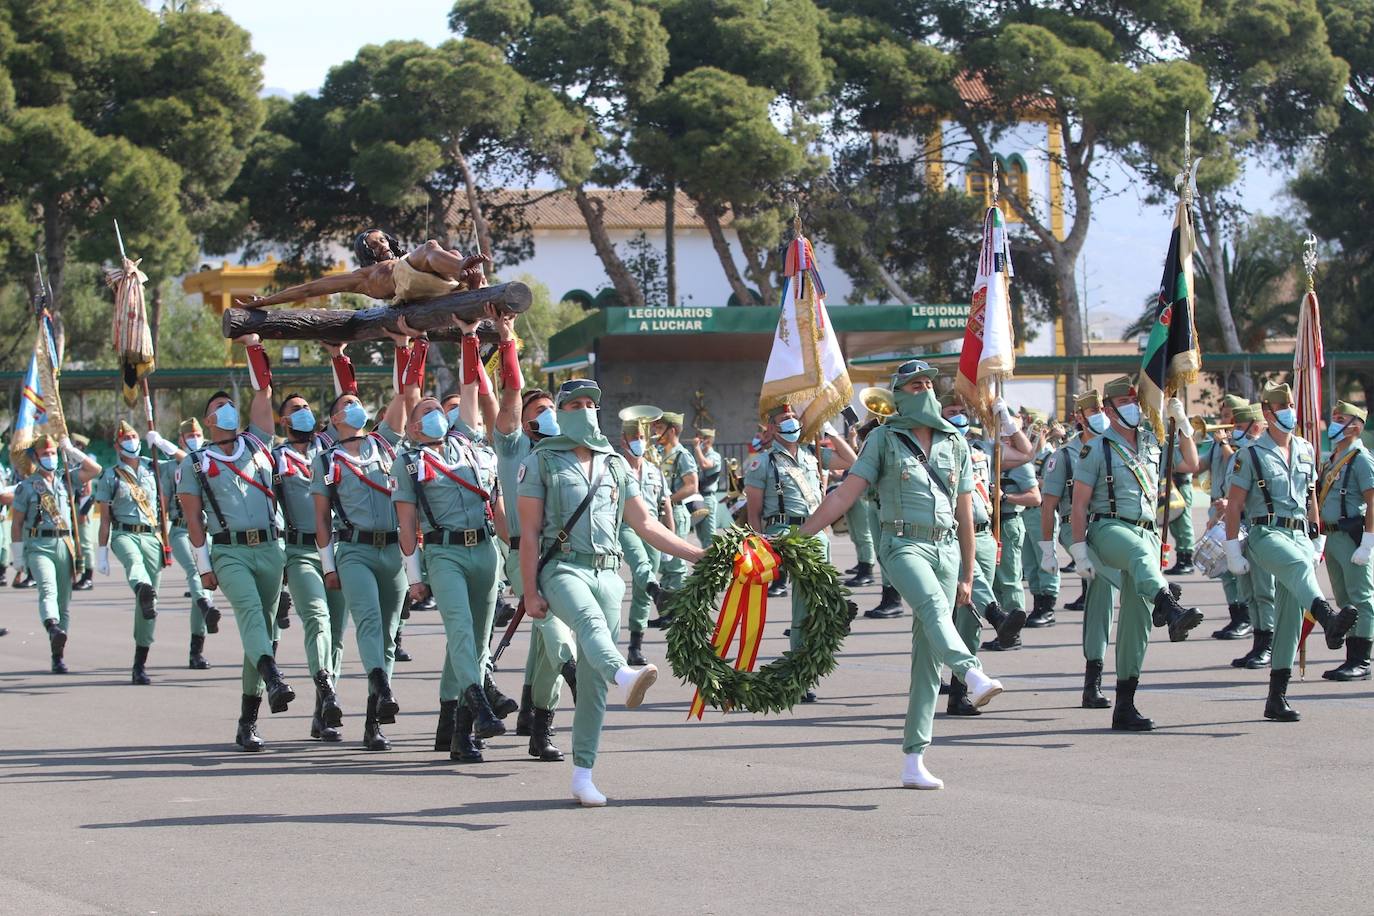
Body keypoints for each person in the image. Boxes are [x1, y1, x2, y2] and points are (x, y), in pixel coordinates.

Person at [800, 360, 1005, 789]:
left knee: (928, 655)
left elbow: (965, 514)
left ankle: (915, 757)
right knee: (932, 607)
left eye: (930, 383)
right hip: (902, 544)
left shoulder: (955, 443)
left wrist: (969, 574)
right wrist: (798, 536)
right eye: (915, 384)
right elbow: (844, 497)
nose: (925, 390)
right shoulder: (883, 439)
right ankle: (971, 671)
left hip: (947, 548)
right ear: (899, 394)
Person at [519, 378, 705, 806]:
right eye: (576, 404)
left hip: (607, 572)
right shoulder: (543, 459)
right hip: (563, 567)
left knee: (591, 680)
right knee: (587, 624)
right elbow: (528, 533)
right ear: (561, 413)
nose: (586, 410)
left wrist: (697, 555)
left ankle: (583, 775)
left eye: (592, 404)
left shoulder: (616, 464)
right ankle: (625, 673)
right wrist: (529, 591)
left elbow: (646, 524)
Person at [1069, 376, 1204, 730]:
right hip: (1109, 528)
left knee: (1136, 623)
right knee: (1141, 560)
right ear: (1110, 410)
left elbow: (1190, 465)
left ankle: (1125, 704)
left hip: (1146, 531)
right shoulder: (1096, 448)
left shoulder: (1150, 443)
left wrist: (1183, 423)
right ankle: (1170, 606)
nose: (1133, 408)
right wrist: (1078, 548)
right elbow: (1079, 504)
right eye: (1125, 403)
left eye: (1135, 401)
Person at [310, 329, 420, 750]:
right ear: (334, 420)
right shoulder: (326, 459)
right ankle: (380, 684)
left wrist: (404, 346)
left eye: (358, 403)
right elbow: (321, 518)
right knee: (370, 622)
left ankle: (374, 718)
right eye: (347, 404)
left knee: (390, 632)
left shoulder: (385, 444)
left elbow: (406, 394)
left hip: (391, 548)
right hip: (353, 550)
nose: (355, 407)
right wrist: (328, 565)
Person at [1223, 383, 1358, 721]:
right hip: (1265, 532)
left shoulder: (1306, 449)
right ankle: (1328, 618)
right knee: (1298, 567)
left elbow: (1311, 496)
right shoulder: (1250, 454)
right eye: (1281, 407)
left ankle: (1276, 698)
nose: (1288, 411)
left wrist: (1317, 537)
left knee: (1290, 618)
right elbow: (1235, 505)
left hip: (1299, 534)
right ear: (1266, 413)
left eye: (1291, 405)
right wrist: (1231, 550)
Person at [177, 384, 297, 751]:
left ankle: (248, 721)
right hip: (230, 551)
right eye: (219, 406)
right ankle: (274, 677)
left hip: (270, 548)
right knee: (250, 615)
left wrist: (253, 343)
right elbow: (193, 520)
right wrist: (203, 567)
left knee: (260, 631)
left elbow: (264, 390)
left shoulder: (258, 443)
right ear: (209, 419)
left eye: (231, 404)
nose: (228, 409)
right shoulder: (195, 461)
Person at [243, 337, 352, 742]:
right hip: (301, 551)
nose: (304, 413)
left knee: (337, 631)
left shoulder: (332, 447)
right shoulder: (274, 454)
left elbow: (348, 400)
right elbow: (261, 399)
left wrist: (338, 357)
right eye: (295, 410)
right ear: (284, 421)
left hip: (340, 547)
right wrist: (255, 350)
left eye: (308, 408)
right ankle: (324, 685)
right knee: (318, 621)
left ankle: (326, 707)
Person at [395, 395, 511, 763]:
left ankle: (459, 734)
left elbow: (499, 509)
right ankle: (480, 706)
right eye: (425, 412)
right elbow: (407, 524)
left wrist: (522, 557)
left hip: (485, 550)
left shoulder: (475, 453)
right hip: (443, 552)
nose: (436, 415)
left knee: (477, 641)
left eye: (438, 410)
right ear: (414, 428)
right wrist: (415, 577)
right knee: (460, 631)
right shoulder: (409, 462)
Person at [487, 315, 580, 741]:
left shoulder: (569, 451)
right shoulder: (512, 445)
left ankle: (538, 719)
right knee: (555, 632)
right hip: (521, 551)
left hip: (561, 556)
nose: (550, 416)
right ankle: (577, 677)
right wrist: (508, 343)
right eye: (540, 411)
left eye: (553, 410)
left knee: (546, 642)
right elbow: (509, 395)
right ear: (524, 422)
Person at [744, 404, 856, 700]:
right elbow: (753, 511)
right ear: (771, 428)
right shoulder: (762, 462)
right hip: (784, 533)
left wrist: (830, 430)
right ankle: (800, 675)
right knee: (805, 604)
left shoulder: (813, 453)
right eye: (784, 419)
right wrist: (758, 543)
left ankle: (831, 620)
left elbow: (851, 461)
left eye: (794, 418)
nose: (792, 422)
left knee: (814, 602)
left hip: (817, 534)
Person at [1040, 390, 1125, 707]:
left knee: (1102, 602)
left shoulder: (1116, 448)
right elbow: (1047, 505)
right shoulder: (1064, 455)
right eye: (1093, 410)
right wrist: (1047, 549)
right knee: (1113, 578)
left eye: (1103, 408)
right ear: (1079, 416)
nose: (1100, 414)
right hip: (1072, 529)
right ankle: (1157, 595)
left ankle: (1093, 684)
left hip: (1105, 528)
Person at [940, 395, 1034, 664]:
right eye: (951, 411)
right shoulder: (935, 448)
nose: (958, 415)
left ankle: (963, 678)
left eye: (961, 410)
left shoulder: (981, 449)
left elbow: (1026, 453)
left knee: (968, 613)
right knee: (964, 596)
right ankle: (997, 615)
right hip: (953, 534)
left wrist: (1007, 422)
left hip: (984, 535)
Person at [10, 435, 102, 672]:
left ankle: (57, 654)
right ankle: (52, 627)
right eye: (45, 454)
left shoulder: (66, 480)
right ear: (36, 458)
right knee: (47, 589)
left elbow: (95, 469)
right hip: (39, 546)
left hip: (65, 544)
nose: (50, 457)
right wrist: (18, 557)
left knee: (64, 603)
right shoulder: (27, 487)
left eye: (53, 453)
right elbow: (17, 524)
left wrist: (70, 450)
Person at [234, 231, 489, 308]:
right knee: (431, 246)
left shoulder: (408, 256)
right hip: (406, 284)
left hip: (439, 286)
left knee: (448, 253)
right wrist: (267, 301)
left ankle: (468, 278)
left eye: (382, 239)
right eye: (373, 244)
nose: (381, 245)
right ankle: (462, 267)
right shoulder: (363, 276)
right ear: (366, 253)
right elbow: (311, 288)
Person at [93, 421, 165, 685]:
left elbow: (186, 463)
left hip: (152, 536)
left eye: (135, 437)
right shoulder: (110, 476)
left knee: (149, 606)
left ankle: (139, 663)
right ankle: (141, 586)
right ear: (117, 445)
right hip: (123, 533)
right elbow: (104, 519)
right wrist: (101, 552)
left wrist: (163, 444)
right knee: (135, 566)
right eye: (126, 438)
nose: (132, 441)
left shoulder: (154, 466)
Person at [156, 419, 222, 669]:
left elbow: (193, 459)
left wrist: (167, 445)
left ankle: (197, 649)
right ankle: (207, 605)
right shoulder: (166, 467)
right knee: (198, 572)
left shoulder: (209, 455)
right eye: (189, 435)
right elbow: (162, 502)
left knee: (203, 584)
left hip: (209, 531)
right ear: (181, 438)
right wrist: (161, 538)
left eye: (197, 433)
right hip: (182, 530)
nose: (194, 437)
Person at [1316, 401, 1374, 681]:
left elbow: (1372, 501)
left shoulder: (1361, 458)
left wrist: (1368, 543)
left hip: (1352, 537)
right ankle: (1350, 658)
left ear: (1356, 426)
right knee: (1344, 599)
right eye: (1334, 417)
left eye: (1341, 419)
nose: (1334, 423)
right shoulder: (1333, 458)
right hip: (1332, 537)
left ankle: (1361, 660)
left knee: (1361, 598)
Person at [618, 413, 671, 667]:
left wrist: (671, 536)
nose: (638, 442)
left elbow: (665, 505)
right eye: (633, 437)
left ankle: (635, 647)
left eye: (641, 437)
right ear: (623, 440)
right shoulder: (616, 467)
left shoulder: (654, 470)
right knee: (640, 564)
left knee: (640, 591)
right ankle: (657, 591)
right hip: (626, 526)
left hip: (654, 529)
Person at [1206, 395, 1253, 640]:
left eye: (1228, 416)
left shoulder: (1242, 445)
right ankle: (1236, 616)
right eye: (1223, 416)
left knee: (1238, 569)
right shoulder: (1217, 443)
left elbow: (1233, 461)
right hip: (1219, 507)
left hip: (1236, 509)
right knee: (1223, 569)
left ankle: (1245, 619)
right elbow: (1196, 466)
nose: (1223, 421)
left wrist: (1225, 443)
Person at [651, 411, 699, 610]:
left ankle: (677, 612)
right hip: (660, 514)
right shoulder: (658, 454)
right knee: (664, 565)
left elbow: (692, 486)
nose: (655, 432)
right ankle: (667, 611)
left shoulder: (682, 455)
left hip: (675, 513)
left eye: (660, 428)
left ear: (672, 431)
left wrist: (667, 500)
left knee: (676, 565)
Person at [692, 429, 723, 546]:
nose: (697, 440)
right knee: (701, 534)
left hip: (707, 498)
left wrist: (696, 448)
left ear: (708, 440)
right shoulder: (700, 456)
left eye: (700, 438)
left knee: (709, 536)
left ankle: (712, 562)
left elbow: (705, 465)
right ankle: (705, 560)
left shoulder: (714, 456)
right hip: (698, 499)